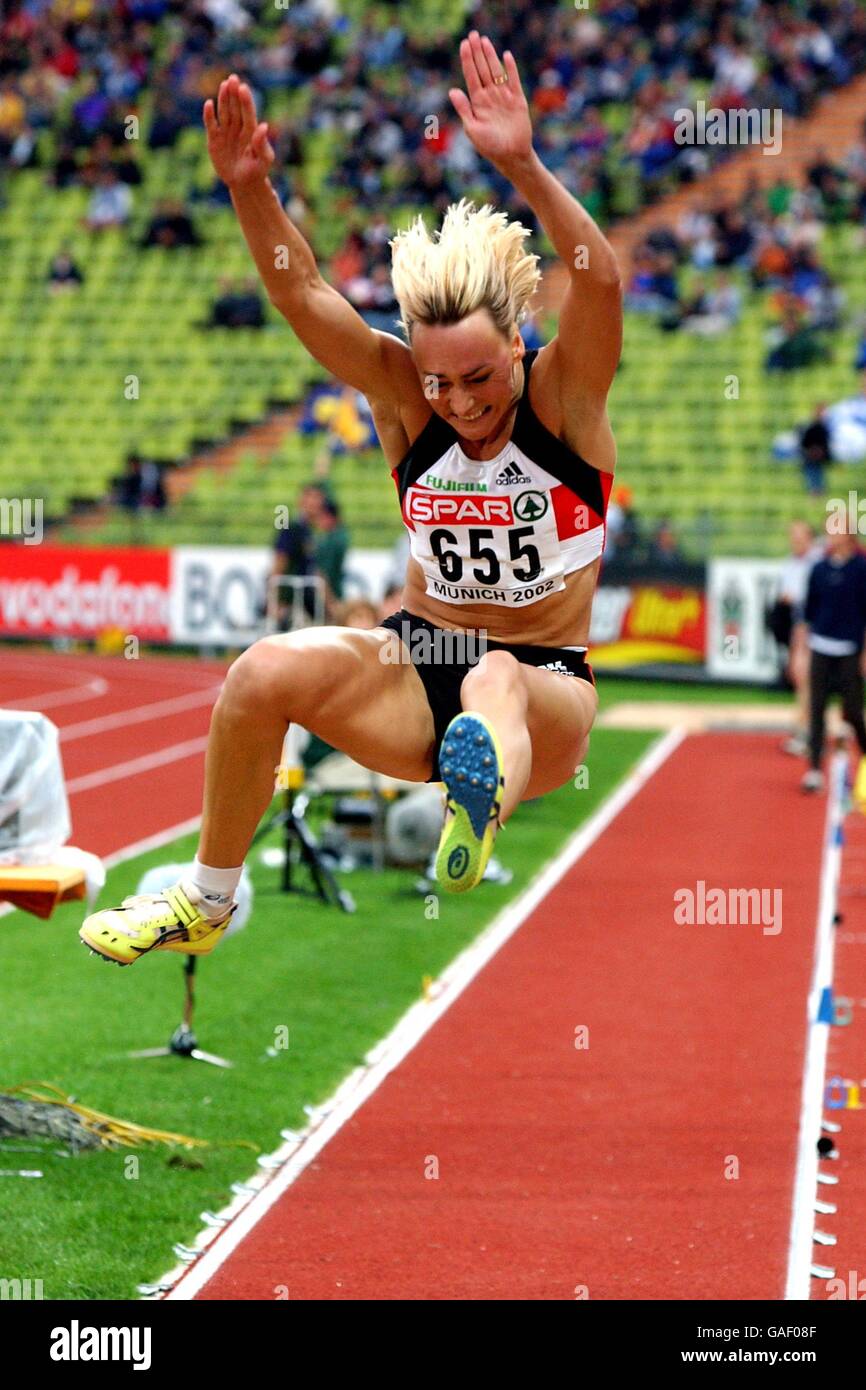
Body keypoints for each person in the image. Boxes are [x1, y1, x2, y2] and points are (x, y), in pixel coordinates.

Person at [80, 33, 620, 965]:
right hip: (418, 666)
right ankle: (207, 899)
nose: (459, 404)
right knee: (259, 674)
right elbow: (306, 301)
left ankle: (471, 816)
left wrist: (522, 163)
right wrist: (251, 189)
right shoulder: (406, 396)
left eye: (479, 378)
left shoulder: (562, 400)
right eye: (440, 384)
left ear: (520, 345)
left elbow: (602, 278)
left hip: (543, 684)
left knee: (494, 681)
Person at [801, 527, 866, 796]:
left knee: (852, 708)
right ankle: (815, 768)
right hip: (821, 646)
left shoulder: (861, 568)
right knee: (817, 708)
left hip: (849, 647)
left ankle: (864, 753)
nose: (832, 535)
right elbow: (809, 611)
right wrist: (804, 647)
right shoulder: (818, 569)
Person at [775, 521, 823, 756]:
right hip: (801, 627)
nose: (795, 540)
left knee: (809, 679)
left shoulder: (819, 559)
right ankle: (807, 730)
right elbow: (787, 596)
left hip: (819, 627)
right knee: (801, 677)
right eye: (792, 535)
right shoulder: (790, 564)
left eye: (799, 535)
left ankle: (809, 731)